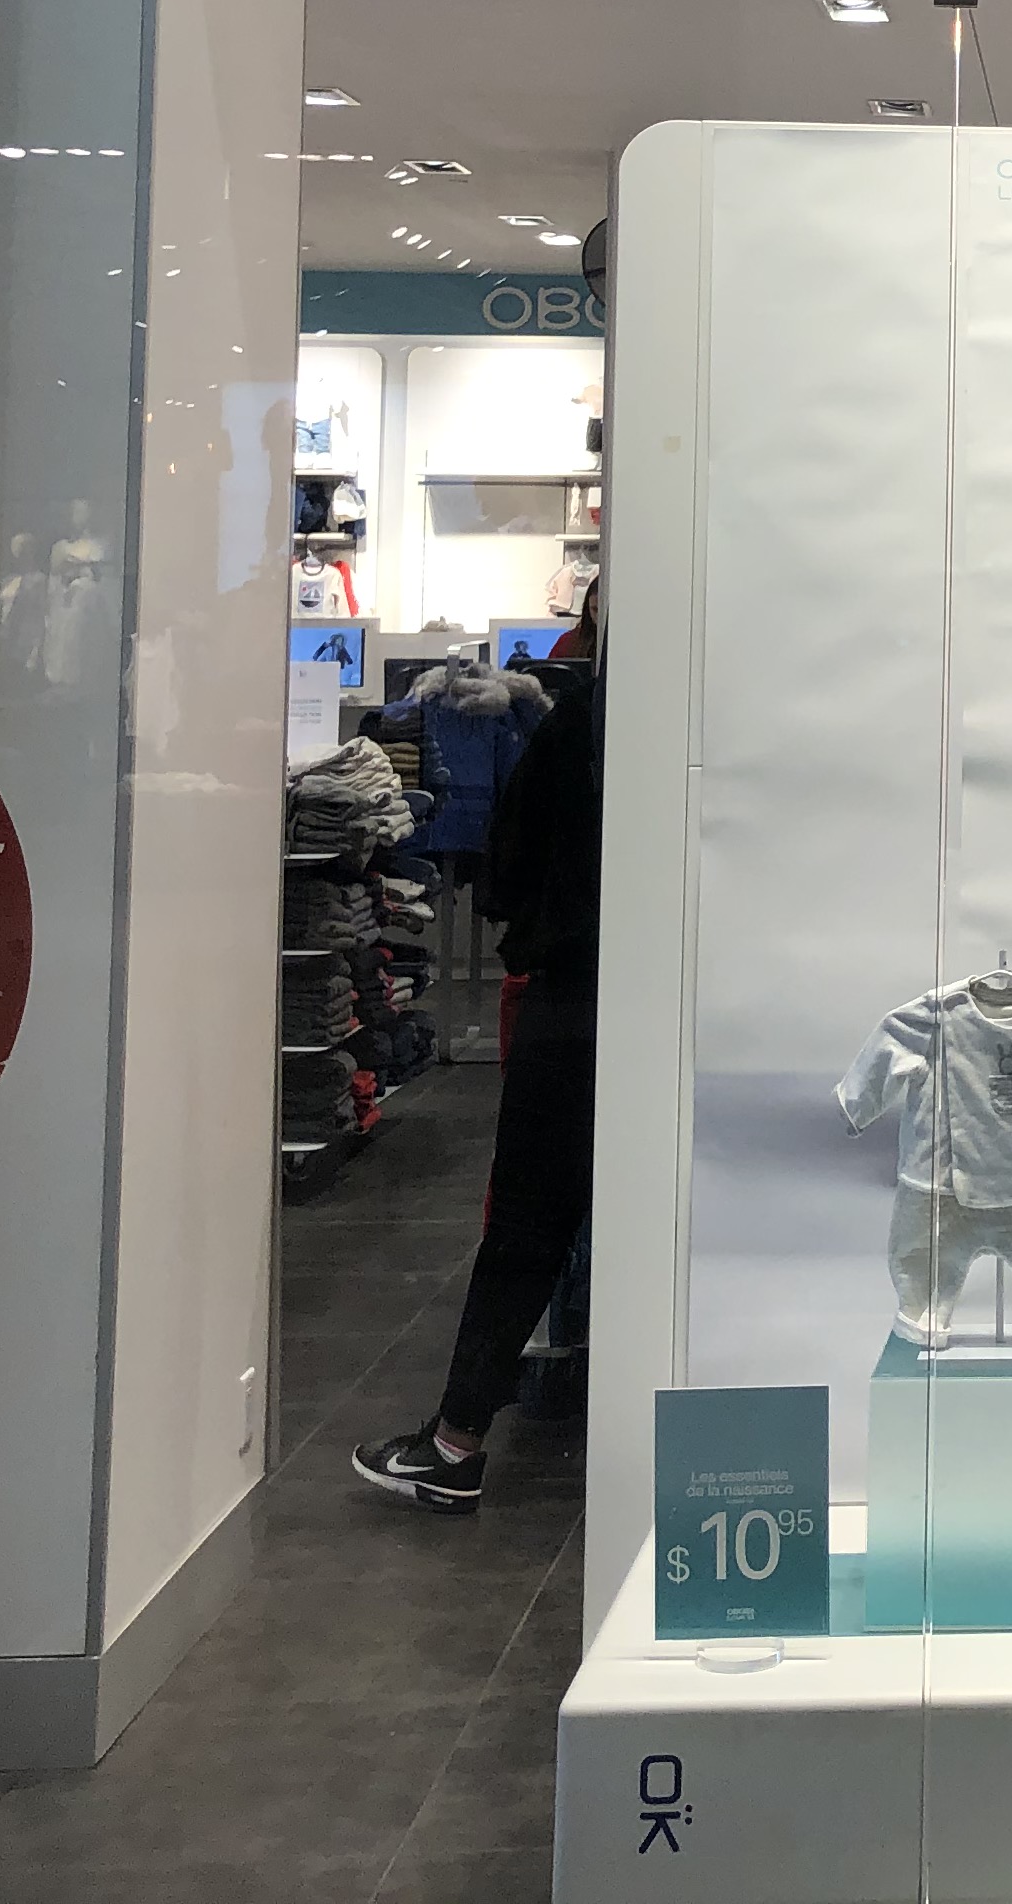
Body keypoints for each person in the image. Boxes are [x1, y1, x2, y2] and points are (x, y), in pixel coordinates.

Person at [352, 626, 605, 1513]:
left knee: (529, 1223)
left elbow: (506, 872)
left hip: (574, 998)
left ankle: (456, 1443)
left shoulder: (581, 723)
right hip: (686, 1009)